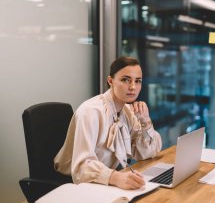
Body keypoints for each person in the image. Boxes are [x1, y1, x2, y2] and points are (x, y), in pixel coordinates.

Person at [54, 56, 162, 190]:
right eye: (125, 80)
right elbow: (81, 166)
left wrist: (145, 121)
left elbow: (145, 153)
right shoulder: (90, 112)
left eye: (138, 81)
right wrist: (117, 177)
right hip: (77, 184)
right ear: (110, 81)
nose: (133, 87)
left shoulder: (127, 111)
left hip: (106, 180)